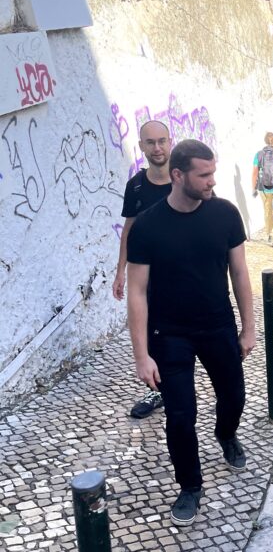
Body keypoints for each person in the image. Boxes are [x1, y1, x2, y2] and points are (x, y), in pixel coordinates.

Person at [126, 140, 255, 526]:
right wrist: (141, 354)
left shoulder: (226, 215)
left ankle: (226, 434)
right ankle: (190, 486)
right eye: (204, 175)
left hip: (218, 324)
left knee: (233, 395)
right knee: (181, 416)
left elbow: (241, 274)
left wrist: (249, 328)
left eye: (213, 173)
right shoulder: (147, 226)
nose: (211, 181)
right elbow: (136, 292)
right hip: (169, 333)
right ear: (179, 175)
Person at [113, 120, 172, 420]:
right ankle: (159, 390)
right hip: (148, 276)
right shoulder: (135, 186)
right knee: (153, 332)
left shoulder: (184, 179)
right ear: (142, 147)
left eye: (162, 141)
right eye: (151, 142)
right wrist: (120, 270)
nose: (157, 147)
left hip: (185, 273)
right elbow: (129, 228)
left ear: (170, 142)